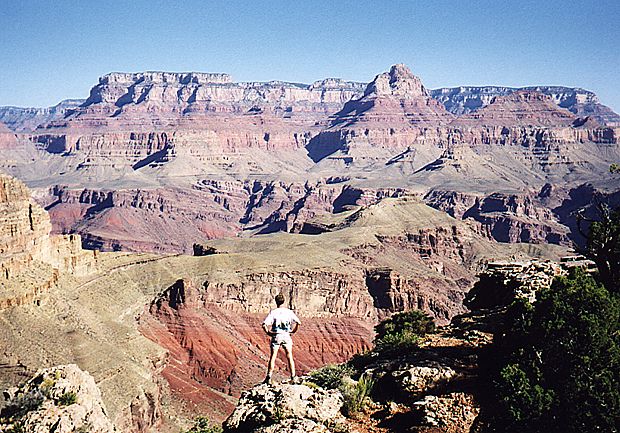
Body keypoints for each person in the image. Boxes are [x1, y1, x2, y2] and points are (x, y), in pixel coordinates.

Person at [262, 293, 301, 384]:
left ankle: (269, 377)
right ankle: (293, 377)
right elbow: (299, 322)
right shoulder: (289, 312)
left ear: (276, 302)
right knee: (289, 356)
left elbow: (264, 324)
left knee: (273, 356)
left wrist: (268, 333)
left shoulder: (274, 312)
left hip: (276, 335)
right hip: (286, 335)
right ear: (284, 301)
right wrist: (293, 331)